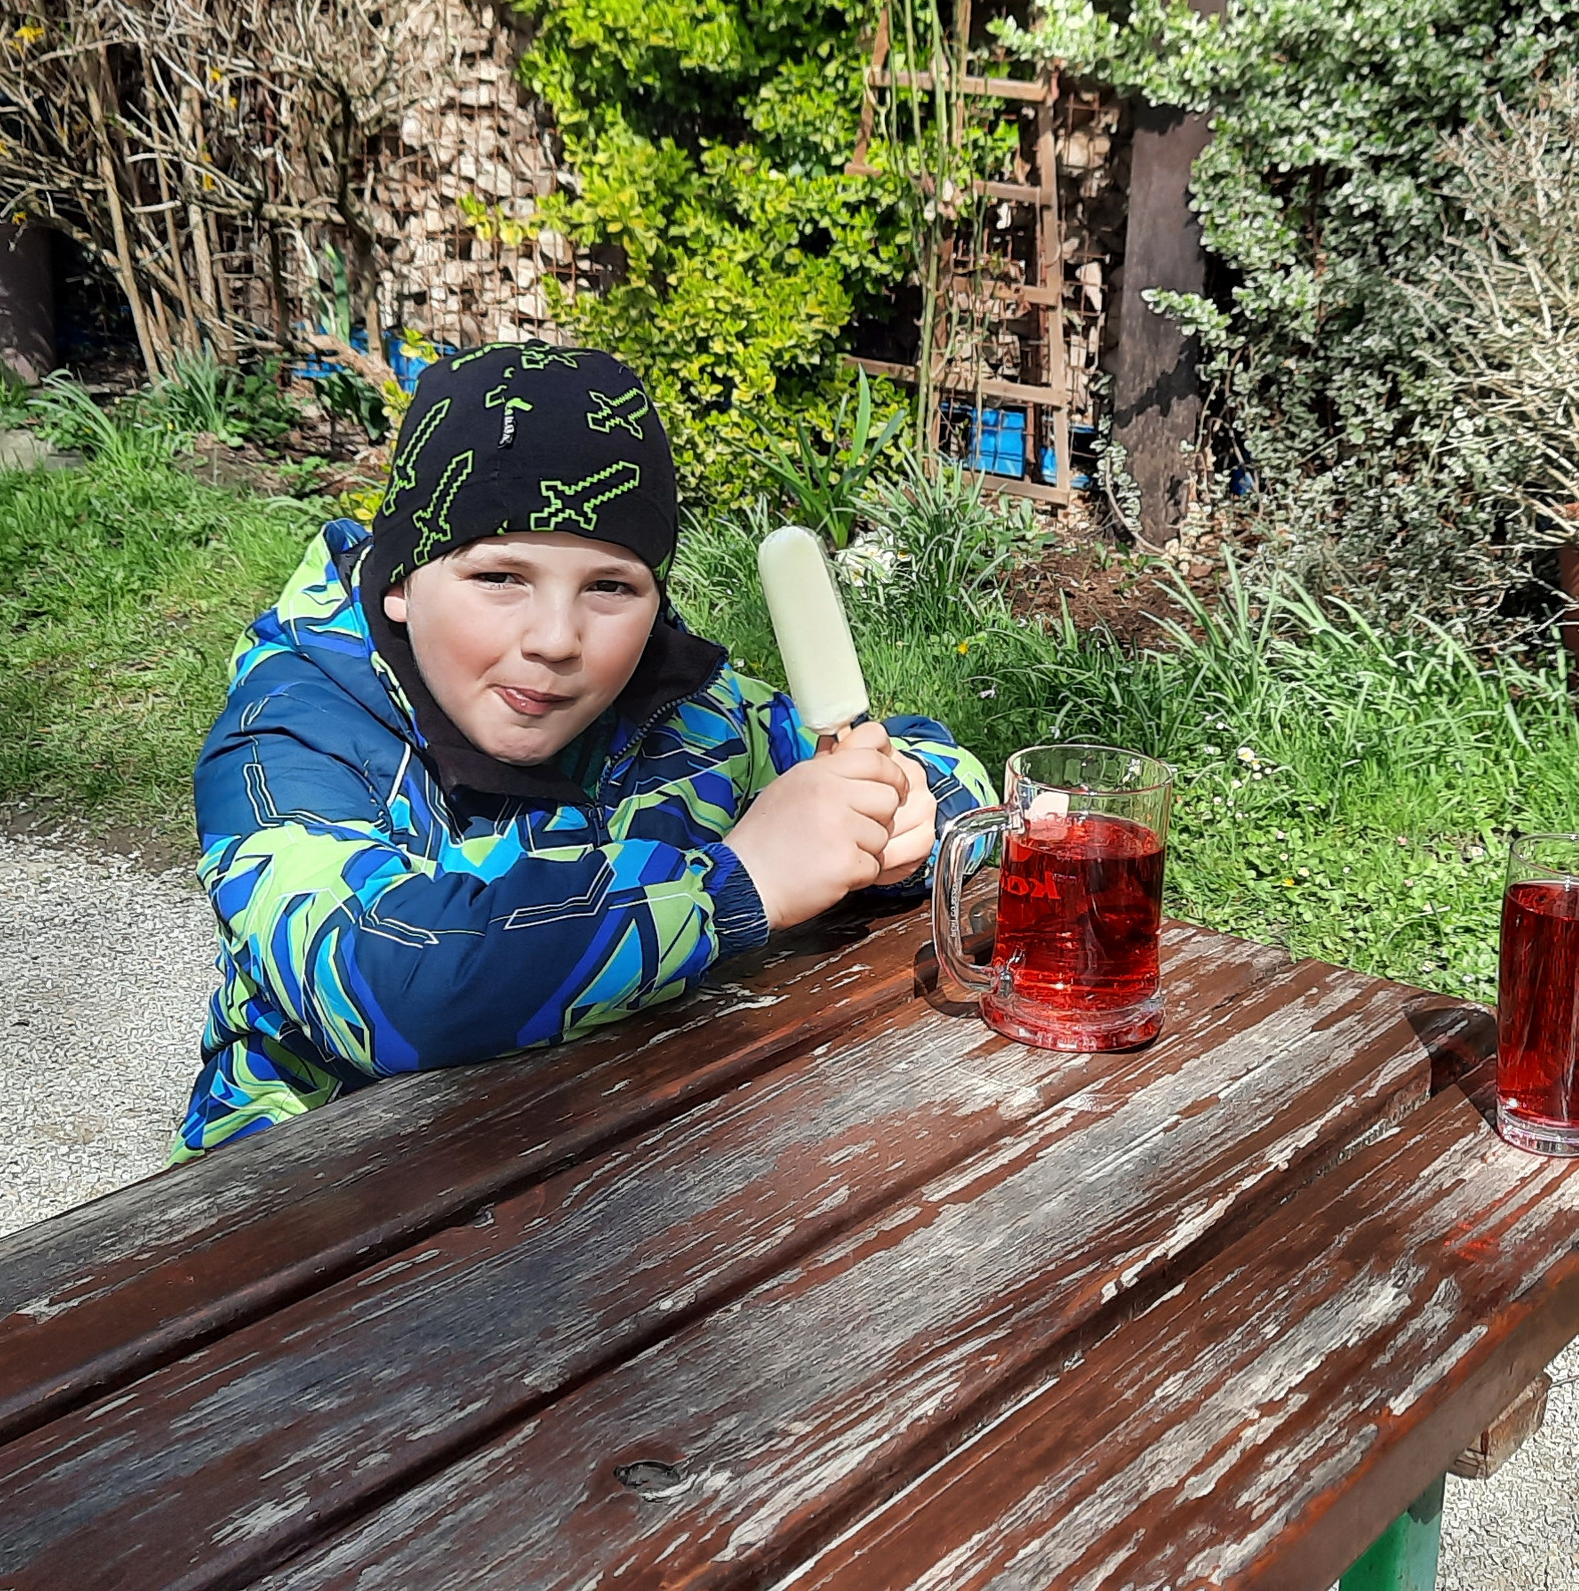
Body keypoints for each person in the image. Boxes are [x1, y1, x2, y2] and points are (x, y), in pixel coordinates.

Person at [175, 344, 990, 1155]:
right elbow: (385, 978)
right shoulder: (289, 737)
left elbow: (957, 786)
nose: (556, 640)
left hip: (613, 1151)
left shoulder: (690, 712)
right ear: (399, 581)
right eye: (500, 578)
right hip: (314, 1188)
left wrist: (899, 810)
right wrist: (738, 886)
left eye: (610, 587)